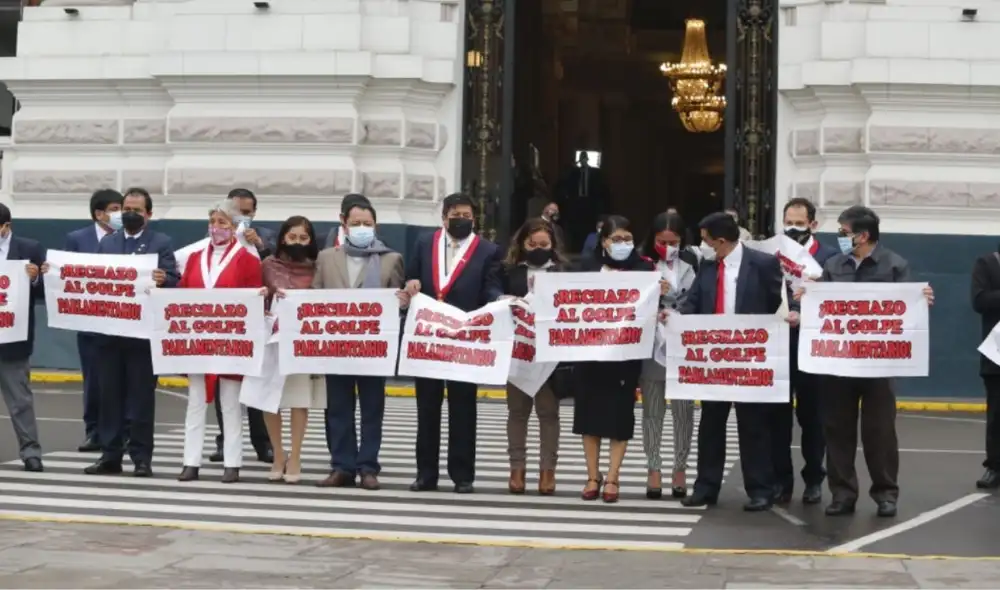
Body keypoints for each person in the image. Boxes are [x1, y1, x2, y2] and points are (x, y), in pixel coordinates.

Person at [796, 205, 934, 517]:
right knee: (837, 430)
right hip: (839, 364)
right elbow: (823, 306)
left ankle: (886, 494)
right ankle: (843, 494)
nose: (840, 237)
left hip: (879, 366)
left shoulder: (895, 265)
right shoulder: (833, 265)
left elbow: (907, 310)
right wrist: (810, 296)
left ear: (863, 235)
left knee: (880, 432)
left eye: (844, 232)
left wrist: (921, 301)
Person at [676, 212, 791, 512]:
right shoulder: (709, 267)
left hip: (748, 359)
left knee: (753, 426)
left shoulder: (763, 264)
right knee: (711, 425)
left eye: (707, 241)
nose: (704, 246)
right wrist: (677, 319)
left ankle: (760, 489)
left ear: (723, 241)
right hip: (714, 360)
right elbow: (694, 302)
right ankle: (706, 488)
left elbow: (776, 303)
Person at [402, 193, 503, 494]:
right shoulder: (424, 243)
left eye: (467, 215)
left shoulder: (488, 250)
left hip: (465, 339)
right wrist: (410, 284)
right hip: (430, 338)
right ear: (444, 217)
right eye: (456, 214)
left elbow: (492, 284)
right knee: (427, 407)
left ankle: (462, 475)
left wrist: (497, 300)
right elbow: (411, 276)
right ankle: (425, 474)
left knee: (463, 407)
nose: (462, 219)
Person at [82, 187, 178, 477]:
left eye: (136, 210)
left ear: (148, 214)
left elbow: (174, 278)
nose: (130, 214)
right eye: (126, 209)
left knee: (140, 400)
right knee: (109, 397)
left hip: (142, 337)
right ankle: (110, 456)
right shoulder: (109, 243)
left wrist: (164, 279)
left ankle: (141, 458)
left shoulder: (160, 242)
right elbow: (93, 278)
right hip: (110, 335)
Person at [313, 201, 404, 490]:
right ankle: (342, 466)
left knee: (372, 408)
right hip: (336, 347)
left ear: (375, 226)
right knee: (338, 409)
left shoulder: (391, 259)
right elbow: (314, 297)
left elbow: (399, 303)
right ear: (344, 223)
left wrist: (403, 300)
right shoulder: (326, 258)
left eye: (367, 223)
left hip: (374, 349)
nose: (362, 228)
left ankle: (368, 467)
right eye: (356, 223)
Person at [176, 199, 264, 484]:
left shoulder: (248, 259)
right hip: (199, 342)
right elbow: (182, 294)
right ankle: (190, 461)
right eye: (213, 222)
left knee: (230, 403)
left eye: (223, 223)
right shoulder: (194, 258)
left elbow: (252, 299)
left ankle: (232, 462)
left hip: (231, 343)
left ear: (235, 226)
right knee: (195, 402)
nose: (216, 228)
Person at [572, 215, 656, 503]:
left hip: (625, 355)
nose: (622, 244)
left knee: (620, 416)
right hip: (590, 354)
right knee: (589, 416)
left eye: (627, 239)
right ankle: (592, 477)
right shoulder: (585, 267)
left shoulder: (644, 268)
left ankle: (613, 478)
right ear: (603, 240)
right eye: (615, 239)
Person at [771, 197, 838, 505]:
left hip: (812, 348)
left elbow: (839, 303)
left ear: (813, 224)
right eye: (789, 221)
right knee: (777, 420)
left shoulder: (830, 258)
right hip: (776, 345)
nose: (793, 227)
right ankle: (781, 481)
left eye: (799, 223)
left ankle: (814, 479)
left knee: (812, 419)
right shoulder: (769, 254)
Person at [209, 188, 275, 464]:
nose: (240, 217)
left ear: (254, 214)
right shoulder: (215, 236)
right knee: (223, 384)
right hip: (224, 323)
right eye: (235, 211)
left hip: (255, 322)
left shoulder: (265, 236)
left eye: (246, 213)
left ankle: (264, 444)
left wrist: (258, 244)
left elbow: (275, 266)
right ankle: (225, 442)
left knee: (255, 385)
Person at [501, 218, 566, 496]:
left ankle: (547, 471)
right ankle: (517, 469)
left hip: (550, 356)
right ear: (522, 244)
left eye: (544, 244)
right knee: (517, 412)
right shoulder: (509, 272)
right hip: (517, 353)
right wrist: (504, 299)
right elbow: (491, 295)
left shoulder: (565, 273)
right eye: (532, 244)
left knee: (548, 413)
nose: (538, 249)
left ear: (552, 245)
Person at [261, 216, 326, 485]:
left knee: (299, 399)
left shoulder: (318, 266)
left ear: (310, 240)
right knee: (270, 398)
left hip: (303, 340)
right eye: (292, 237)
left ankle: (296, 455)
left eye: (303, 238)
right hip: (271, 339)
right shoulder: (267, 265)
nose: (297, 242)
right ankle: (279, 454)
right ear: (282, 238)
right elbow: (258, 297)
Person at [638, 211, 699, 499]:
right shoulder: (641, 263)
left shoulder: (694, 261)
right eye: (662, 241)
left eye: (673, 241)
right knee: (653, 411)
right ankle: (653, 468)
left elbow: (703, 297)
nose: (667, 246)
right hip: (651, 345)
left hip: (684, 343)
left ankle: (680, 468)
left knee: (684, 411)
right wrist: (652, 293)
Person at [64, 188, 124, 452]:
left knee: (122, 381)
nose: (119, 214)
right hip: (90, 322)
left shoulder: (127, 237)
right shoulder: (77, 239)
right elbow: (67, 274)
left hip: (123, 321)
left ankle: (122, 432)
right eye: (114, 209)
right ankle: (94, 431)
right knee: (93, 380)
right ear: (99, 213)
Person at [0, 204, 45, 472]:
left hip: (13, 338)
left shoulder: (29, 248)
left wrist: (35, 278)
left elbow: (44, 293)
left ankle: (31, 452)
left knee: (20, 401)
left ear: (7, 226)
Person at [972, 242, 1000, 490]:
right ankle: (995, 466)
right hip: (997, 353)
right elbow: (980, 301)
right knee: (997, 415)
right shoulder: (988, 263)